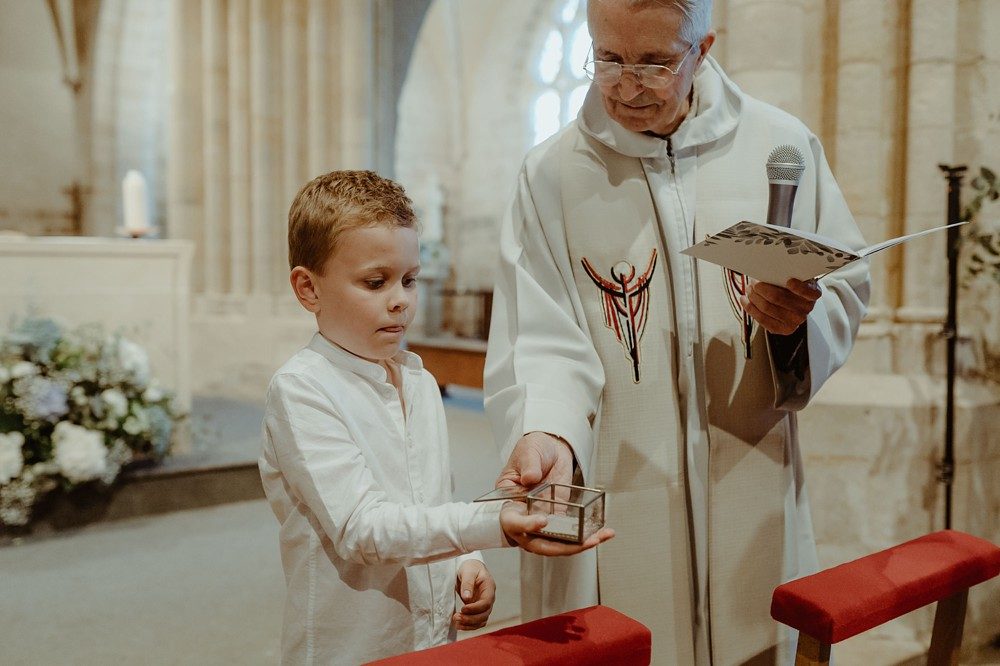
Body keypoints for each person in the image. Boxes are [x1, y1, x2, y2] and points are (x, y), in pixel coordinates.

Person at [484, 1, 870, 664]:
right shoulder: (550, 174)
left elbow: (842, 283)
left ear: (704, 47)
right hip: (617, 472)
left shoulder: (781, 147)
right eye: (608, 59)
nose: (628, 86)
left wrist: (793, 328)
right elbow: (540, 335)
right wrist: (547, 433)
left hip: (750, 458)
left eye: (655, 63)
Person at [259, 170, 613, 665]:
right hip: (351, 646)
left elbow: (433, 499)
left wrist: (467, 559)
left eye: (409, 279)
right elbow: (363, 528)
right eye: (375, 282)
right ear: (308, 289)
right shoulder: (303, 389)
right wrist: (493, 524)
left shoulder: (421, 381)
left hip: (429, 637)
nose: (401, 298)